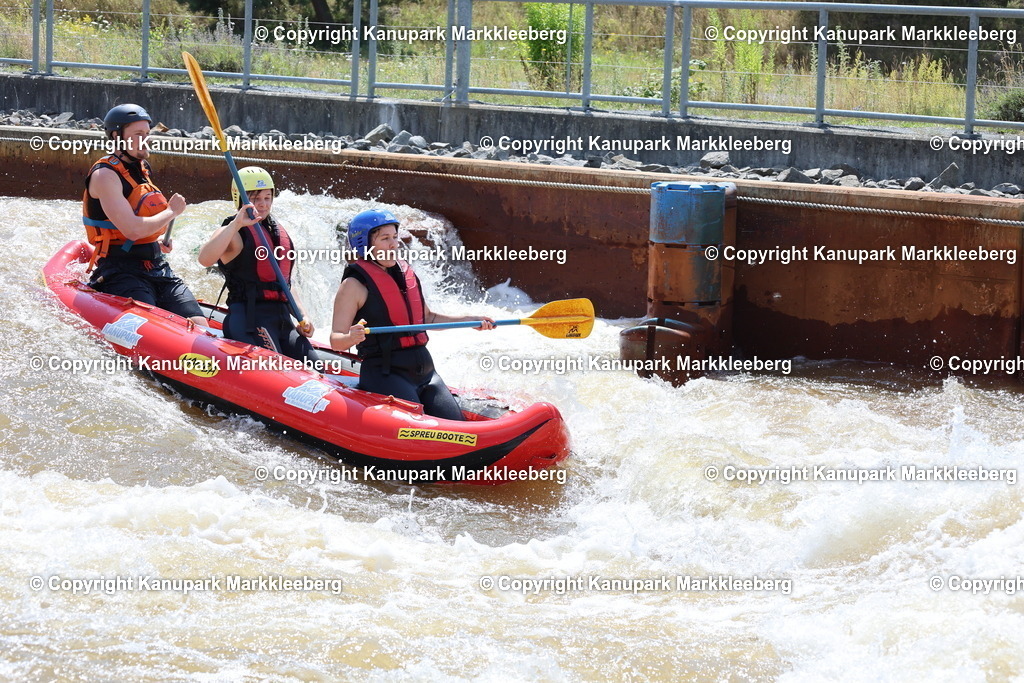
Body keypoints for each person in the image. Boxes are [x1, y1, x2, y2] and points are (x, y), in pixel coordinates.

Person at [330, 210, 494, 421]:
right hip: (385, 374)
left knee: (458, 424)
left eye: (395, 237)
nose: (394, 244)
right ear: (365, 245)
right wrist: (351, 337)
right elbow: (336, 340)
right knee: (421, 429)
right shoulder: (353, 285)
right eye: (385, 239)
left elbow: (428, 318)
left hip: (426, 373)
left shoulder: (405, 274)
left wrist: (468, 320)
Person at [83, 103, 206, 326]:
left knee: (198, 324)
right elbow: (132, 229)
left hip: (156, 267)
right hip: (120, 270)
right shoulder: (105, 176)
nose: (146, 140)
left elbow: (141, 220)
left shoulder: (142, 168)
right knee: (151, 325)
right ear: (117, 136)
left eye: (147, 134)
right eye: (138, 134)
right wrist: (171, 212)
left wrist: (154, 241)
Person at [197, 166, 317, 361]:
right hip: (249, 319)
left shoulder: (275, 230)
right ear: (240, 199)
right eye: (255, 198)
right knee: (276, 370)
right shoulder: (234, 231)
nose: (263, 204)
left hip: (282, 320)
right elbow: (205, 259)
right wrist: (237, 223)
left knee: (316, 369)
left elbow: (285, 283)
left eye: (267, 197)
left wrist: (302, 316)